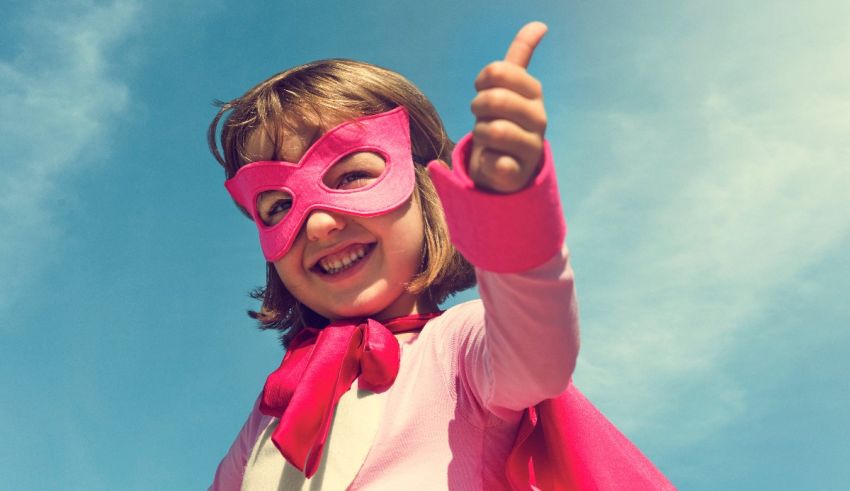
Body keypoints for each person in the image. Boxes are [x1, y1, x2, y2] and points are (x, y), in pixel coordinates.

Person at [207, 22, 673, 490]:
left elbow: (538, 351)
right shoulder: (270, 413)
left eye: (351, 176)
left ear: (427, 186)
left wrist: (509, 210)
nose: (319, 224)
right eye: (279, 205)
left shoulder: (462, 347)